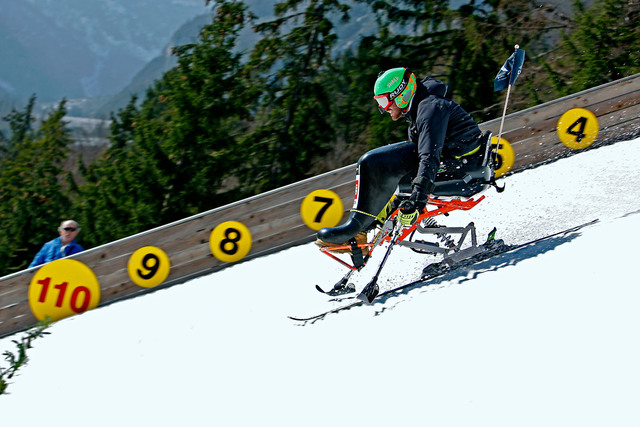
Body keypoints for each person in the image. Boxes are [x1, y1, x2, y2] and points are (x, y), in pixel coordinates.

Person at [317, 67, 493, 250]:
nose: (383, 108)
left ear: (401, 93)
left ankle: (356, 229)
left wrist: (417, 200)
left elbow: (429, 157)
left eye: (384, 101)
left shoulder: (429, 109)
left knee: (372, 163)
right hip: (458, 168)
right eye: (379, 102)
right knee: (383, 170)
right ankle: (362, 231)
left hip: (466, 173)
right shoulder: (420, 112)